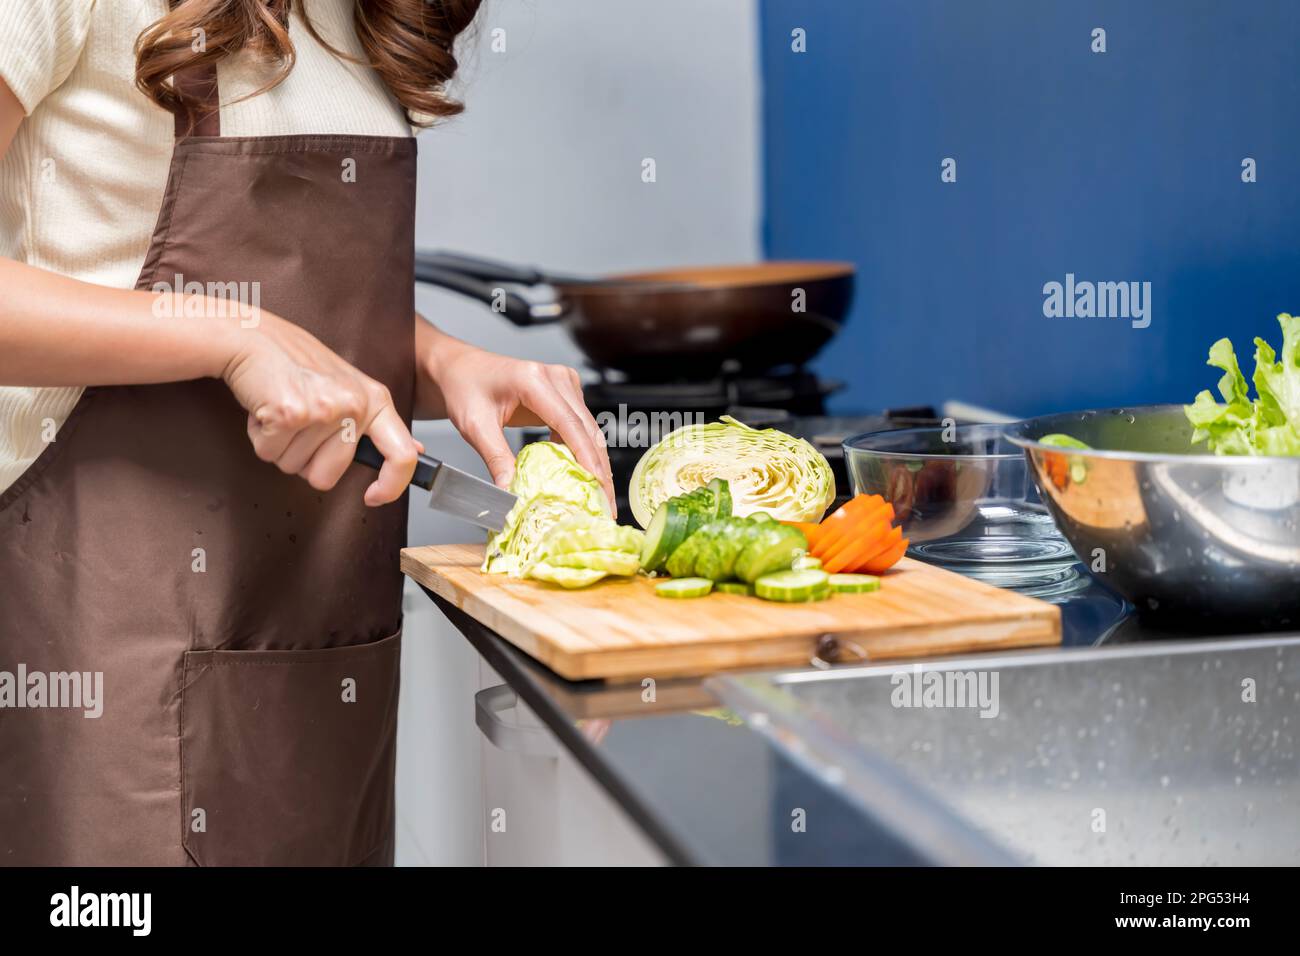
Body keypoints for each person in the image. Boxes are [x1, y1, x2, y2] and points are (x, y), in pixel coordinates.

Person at [0, 0, 612, 865]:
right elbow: (250, 325)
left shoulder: (366, 14)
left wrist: (436, 362)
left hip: (328, 660)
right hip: (105, 654)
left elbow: (299, 301)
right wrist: (230, 335)